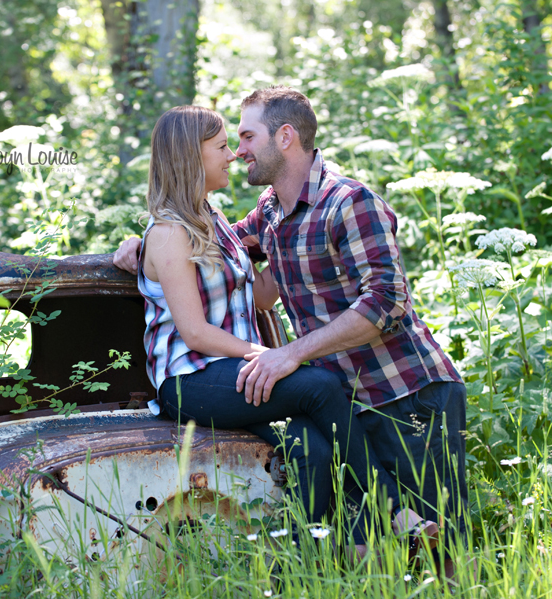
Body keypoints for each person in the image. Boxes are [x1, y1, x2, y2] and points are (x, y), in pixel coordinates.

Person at [116, 88, 468, 576]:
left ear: (284, 137)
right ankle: (342, 545)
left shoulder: (344, 203)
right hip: (275, 384)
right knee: (317, 417)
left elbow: (382, 299)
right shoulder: (264, 213)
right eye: (224, 143)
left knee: (443, 552)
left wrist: (285, 353)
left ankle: (312, 561)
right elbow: (194, 288)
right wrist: (137, 243)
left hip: (403, 391)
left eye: (243, 137)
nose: (236, 151)